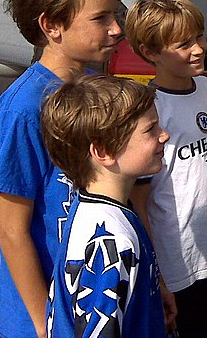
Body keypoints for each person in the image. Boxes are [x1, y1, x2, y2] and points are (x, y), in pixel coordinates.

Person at [0, 0, 124, 338]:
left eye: (116, 15)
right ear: (52, 26)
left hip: (96, 301)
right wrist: (44, 323)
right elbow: (12, 230)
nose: (116, 29)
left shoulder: (97, 92)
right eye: (101, 18)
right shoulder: (25, 110)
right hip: (49, 317)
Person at [125, 0, 207, 338]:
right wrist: (155, 275)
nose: (199, 49)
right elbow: (140, 202)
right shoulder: (150, 110)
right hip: (174, 265)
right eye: (183, 44)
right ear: (150, 53)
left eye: (199, 37)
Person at [41, 74, 170, 337]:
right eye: (150, 129)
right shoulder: (112, 241)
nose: (164, 135)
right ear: (103, 152)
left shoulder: (88, 208)